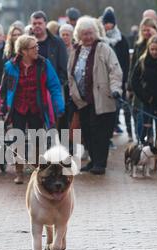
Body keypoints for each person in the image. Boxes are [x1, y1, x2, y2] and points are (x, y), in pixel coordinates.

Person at [0, 35, 64, 184]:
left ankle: (37, 170)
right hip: (18, 109)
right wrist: (4, 105)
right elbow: (5, 89)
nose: (37, 49)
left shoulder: (44, 64)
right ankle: (19, 172)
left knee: (38, 139)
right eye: (33, 47)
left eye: (37, 47)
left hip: (37, 108)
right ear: (23, 51)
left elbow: (54, 86)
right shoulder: (10, 66)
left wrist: (59, 106)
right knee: (18, 140)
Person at [68, 16, 123, 175]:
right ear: (79, 35)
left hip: (102, 98)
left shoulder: (104, 49)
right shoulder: (75, 51)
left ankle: (100, 163)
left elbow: (115, 71)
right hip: (82, 100)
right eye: (84, 34)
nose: (88, 37)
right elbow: (71, 74)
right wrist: (74, 93)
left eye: (90, 33)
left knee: (101, 132)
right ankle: (93, 160)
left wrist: (115, 89)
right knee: (87, 131)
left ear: (96, 33)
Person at [30, 11, 68, 131]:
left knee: (56, 122)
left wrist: (59, 82)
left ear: (45, 24)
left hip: (52, 89)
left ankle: (60, 148)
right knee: (36, 126)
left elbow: (64, 67)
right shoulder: (25, 43)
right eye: (34, 23)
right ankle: (40, 149)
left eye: (39, 23)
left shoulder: (57, 43)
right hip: (31, 90)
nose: (37, 25)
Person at [101, 8, 132, 141]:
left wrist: (124, 79)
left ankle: (130, 132)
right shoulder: (100, 39)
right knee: (108, 108)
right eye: (105, 22)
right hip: (103, 79)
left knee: (123, 105)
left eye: (109, 22)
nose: (107, 25)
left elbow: (125, 60)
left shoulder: (122, 40)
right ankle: (109, 133)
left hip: (119, 77)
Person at [127, 17, 157, 143]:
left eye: (149, 30)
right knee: (138, 115)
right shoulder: (138, 45)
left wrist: (155, 37)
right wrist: (129, 87)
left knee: (151, 116)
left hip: (154, 88)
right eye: (144, 30)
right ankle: (142, 141)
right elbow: (133, 67)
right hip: (139, 87)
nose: (146, 33)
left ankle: (151, 140)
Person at [131, 36, 157, 144]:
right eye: (152, 49)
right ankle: (142, 146)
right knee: (146, 126)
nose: (154, 52)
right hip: (147, 100)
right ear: (148, 49)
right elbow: (134, 80)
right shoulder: (143, 61)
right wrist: (144, 96)